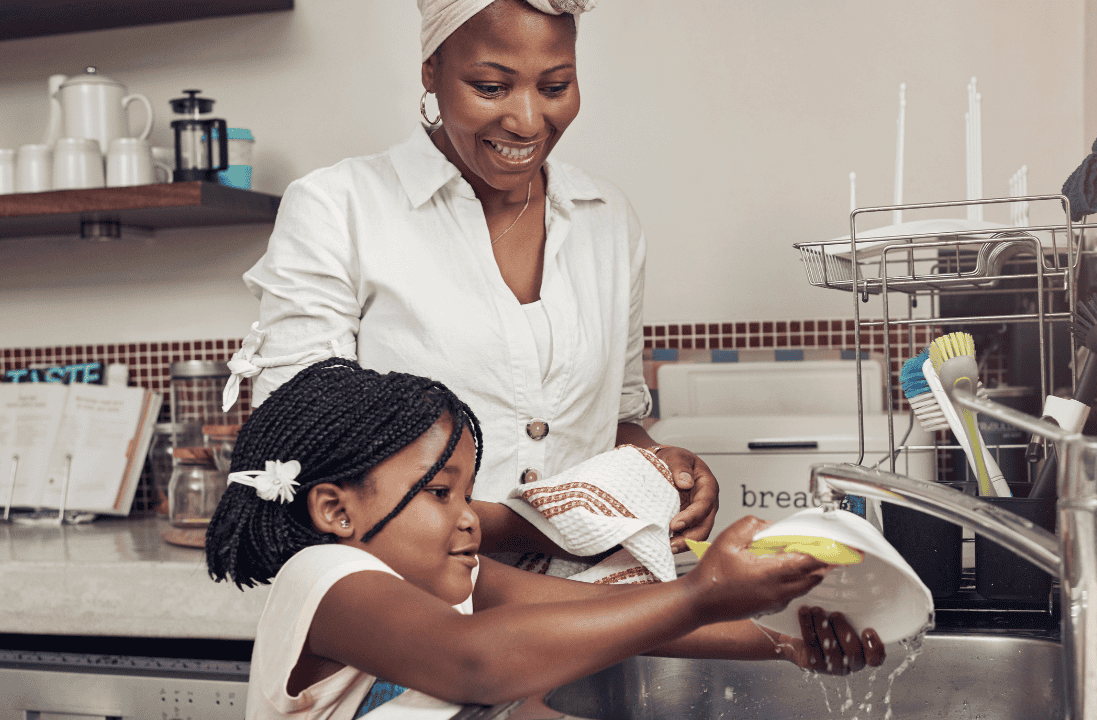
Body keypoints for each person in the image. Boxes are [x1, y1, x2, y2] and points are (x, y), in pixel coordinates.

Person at [226, 0, 717, 561]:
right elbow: (302, 457)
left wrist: (663, 469)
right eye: (490, 86)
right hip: (415, 620)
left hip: (592, 617)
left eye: (556, 87)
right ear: (431, 69)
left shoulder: (606, 219)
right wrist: (547, 528)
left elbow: (616, 424)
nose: (528, 121)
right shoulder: (339, 210)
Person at [205, 359, 884, 719]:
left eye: (467, 493)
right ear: (335, 510)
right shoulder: (324, 579)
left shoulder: (456, 580)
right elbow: (472, 663)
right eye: (440, 494)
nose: (470, 517)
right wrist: (704, 594)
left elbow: (608, 619)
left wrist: (788, 645)